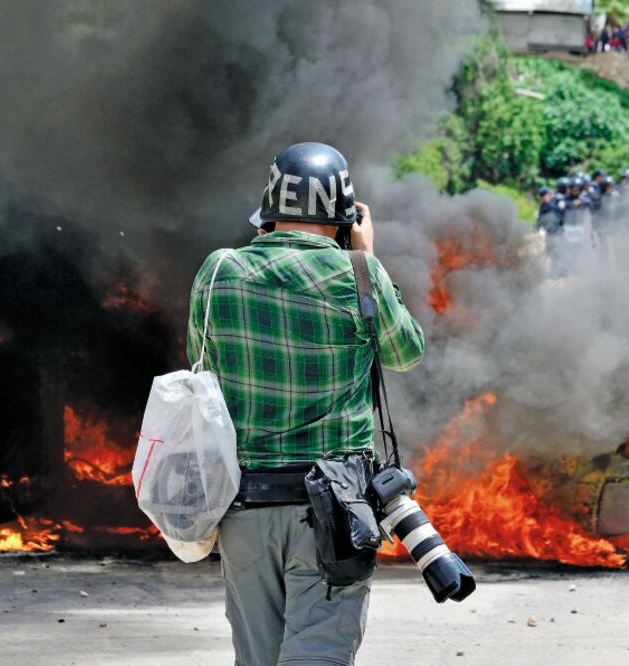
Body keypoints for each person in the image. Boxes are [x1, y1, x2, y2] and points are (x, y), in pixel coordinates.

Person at [188, 142, 425, 666]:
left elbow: (202, 369)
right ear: (344, 218)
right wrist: (367, 258)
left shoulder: (218, 271)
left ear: (269, 210)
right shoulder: (358, 274)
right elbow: (406, 351)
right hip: (333, 513)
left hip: (244, 509)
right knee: (317, 656)